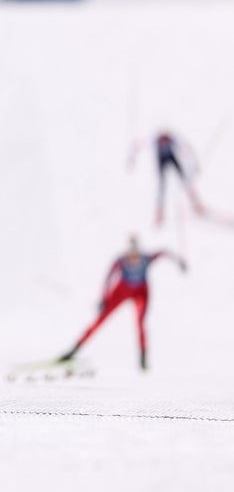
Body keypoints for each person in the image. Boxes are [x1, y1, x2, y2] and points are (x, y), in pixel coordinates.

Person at [57, 235, 186, 370]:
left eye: (135, 255)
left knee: (140, 322)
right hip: (121, 290)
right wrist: (103, 298)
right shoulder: (120, 260)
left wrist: (179, 261)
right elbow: (108, 278)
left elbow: (163, 252)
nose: (133, 258)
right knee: (99, 319)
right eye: (130, 255)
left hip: (140, 292)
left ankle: (143, 357)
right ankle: (74, 349)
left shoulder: (146, 259)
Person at [129, 130, 205, 225]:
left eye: (165, 140)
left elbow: (186, 148)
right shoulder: (154, 139)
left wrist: (195, 164)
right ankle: (159, 212)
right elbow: (139, 145)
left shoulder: (173, 139)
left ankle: (196, 204)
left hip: (171, 158)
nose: (164, 142)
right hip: (161, 161)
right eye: (162, 141)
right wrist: (131, 157)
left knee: (185, 181)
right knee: (161, 187)